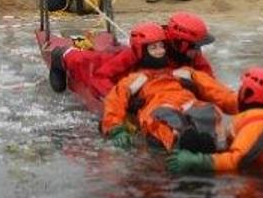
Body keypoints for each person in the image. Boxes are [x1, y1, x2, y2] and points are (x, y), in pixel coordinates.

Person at [101, 23, 240, 151]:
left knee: (210, 112)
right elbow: (115, 99)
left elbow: (216, 91)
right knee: (163, 121)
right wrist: (115, 128)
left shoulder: (183, 72)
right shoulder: (137, 79)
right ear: (142, 51)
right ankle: (182, 141)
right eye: (153, 48)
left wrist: (244, 104)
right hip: (160, 108)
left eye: (161, 46)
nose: (159, 51)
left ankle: (212, 142)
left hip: (189, 104)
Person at [167, 67, 263, 175]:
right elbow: (223, 98)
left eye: (242, 88)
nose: (239, 91)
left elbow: (237, 159)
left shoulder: (257, 124)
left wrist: (197, 161)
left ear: (247, 92)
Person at [161, 11, 218, 78]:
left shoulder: (192, 53)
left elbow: (208, 76)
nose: (197, 51)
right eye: (194, 45)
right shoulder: (153, 51)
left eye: (198, 46)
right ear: (180, 42)